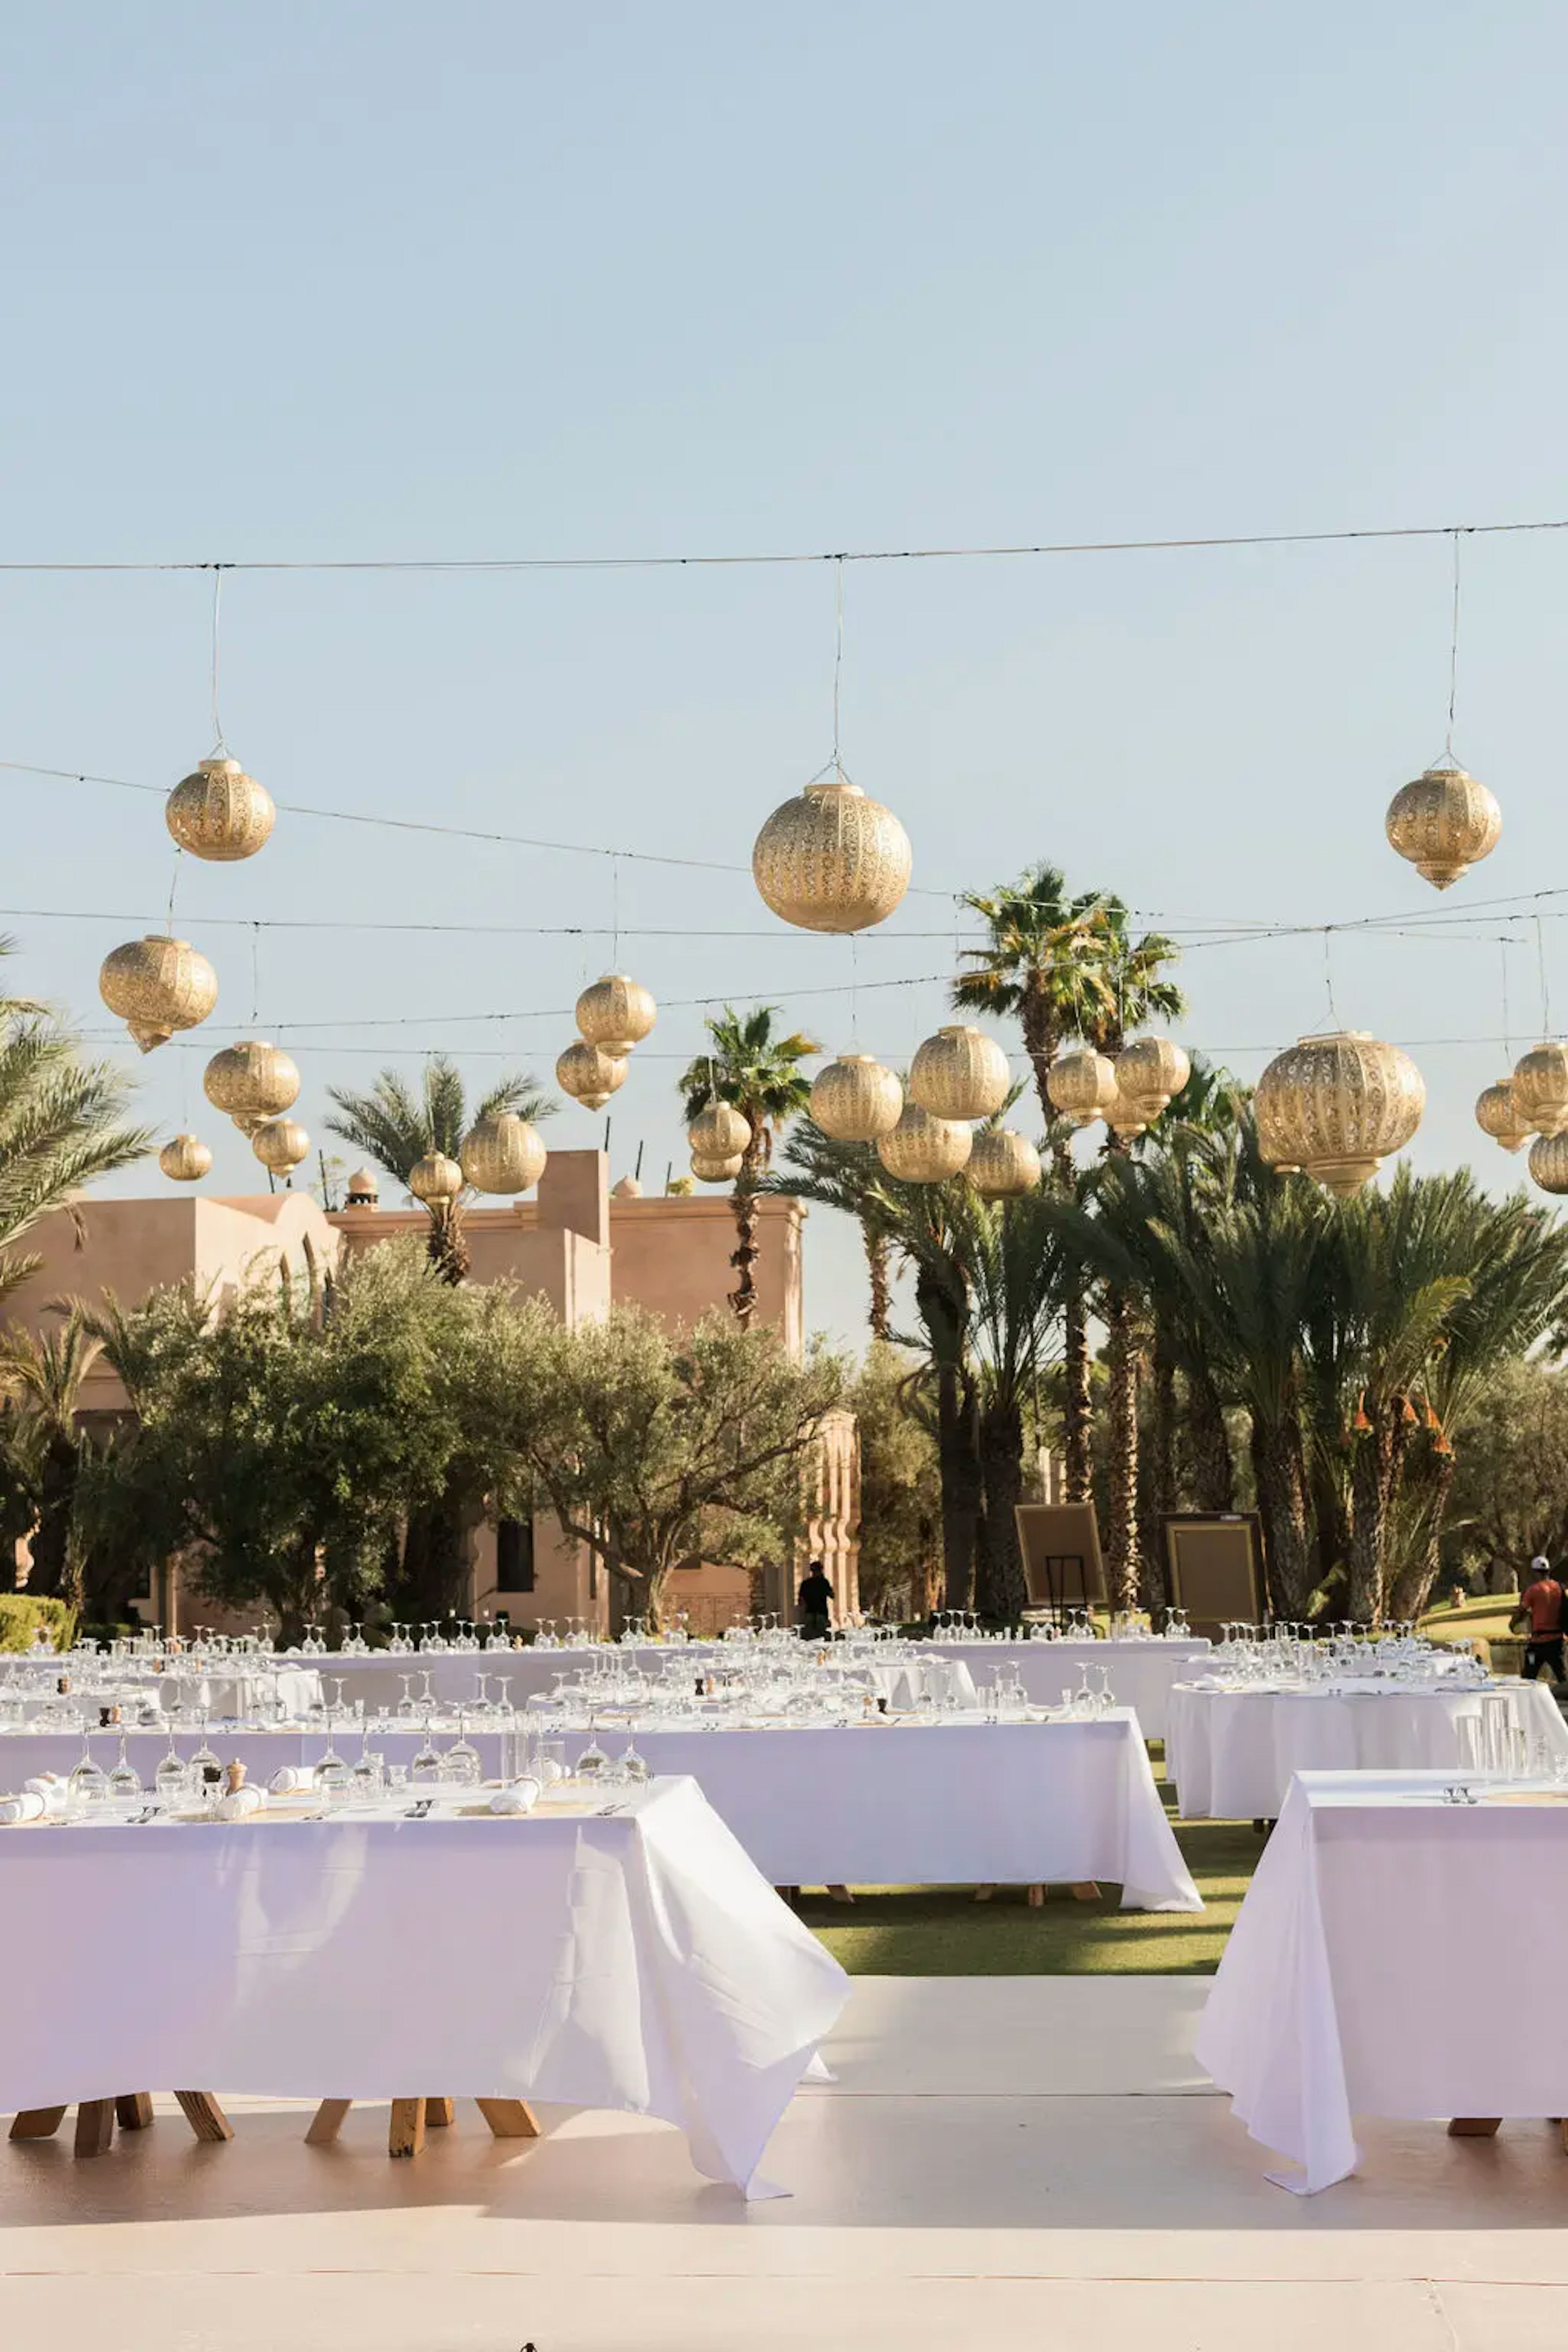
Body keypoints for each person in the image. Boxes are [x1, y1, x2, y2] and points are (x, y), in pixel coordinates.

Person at [1516, 1555, 1566, 1683]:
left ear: (1534, 1573)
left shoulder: (1534, 1590)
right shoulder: (1559, 1588)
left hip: (1538, 1644)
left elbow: (1521, 1611)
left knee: (1529, 1676)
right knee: (1562, 1676)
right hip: (1557, 1642)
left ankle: (1528, 1701)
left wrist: (1513, 1624)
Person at [796, 1560, 834, 1643]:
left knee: (810, 1637)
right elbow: (832, 1595)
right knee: (821, 1636)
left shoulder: (806, 1583)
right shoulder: (824, 1582)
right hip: (821, 1612)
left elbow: (801, 1601)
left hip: (810, 1612)